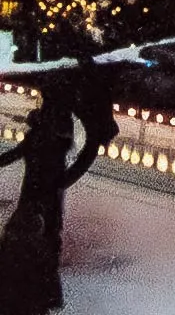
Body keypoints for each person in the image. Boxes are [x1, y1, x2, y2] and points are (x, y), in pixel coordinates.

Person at [0, 54, 116, 315]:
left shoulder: (53, 131)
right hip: (40, 193)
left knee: (35, 236)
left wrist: (64, 180)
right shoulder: (45, 133)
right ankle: (27, 291)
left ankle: (26, 291)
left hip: (42, 194)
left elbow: (90, 145)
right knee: (35, 236)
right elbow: (20, 152)